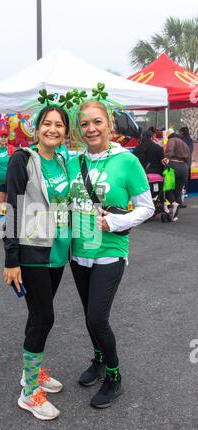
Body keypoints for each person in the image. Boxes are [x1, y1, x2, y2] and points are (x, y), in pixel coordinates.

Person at [66, 98, 154, 409]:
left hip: (110, 251)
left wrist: (115, 221)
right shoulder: (76, 162)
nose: (91, 128)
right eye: (85, 123)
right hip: (79, 252)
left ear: (109, 125)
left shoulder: (126, 161)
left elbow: (147, 207)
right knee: (90, 319)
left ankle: (114, 376)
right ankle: (99, 359)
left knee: (97, 318)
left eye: (97, 122)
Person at [3, 105, 71, 420]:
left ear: (66, 132)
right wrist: (11, 259)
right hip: (32, 252)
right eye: (47, 124)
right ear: (37, 128)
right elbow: (12, 209)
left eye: (59, 125)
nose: (53, 129)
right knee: (44, 318)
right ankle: (30, 392)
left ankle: (33, 372)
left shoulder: (62, 161)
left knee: (37, 315)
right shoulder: (23, 159)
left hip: (57, 251)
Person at [162, 133, 190, 220]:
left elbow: (170, 149)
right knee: (178, 191)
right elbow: (189, 158)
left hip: (173, 166)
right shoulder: (185, 144)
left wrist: (167, 157)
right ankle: (174, 216)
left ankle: (173, 203)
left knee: (167, 188)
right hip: (184, 168)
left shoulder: (172, 140)